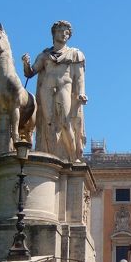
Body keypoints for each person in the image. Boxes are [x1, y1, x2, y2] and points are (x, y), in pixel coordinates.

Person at [23, 20, 88, 162]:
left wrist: (81, 92)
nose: (64, 34)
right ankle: (50, 158)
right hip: (46, 88)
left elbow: (80, 78)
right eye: (60, 31)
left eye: (67, 32)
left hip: (65, 87)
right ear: (54, 34)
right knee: (48, 123)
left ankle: (73, 157)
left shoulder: (75, 54)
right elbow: (30, 73)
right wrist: (25, 63)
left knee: (65, 122)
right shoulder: (45, 55)